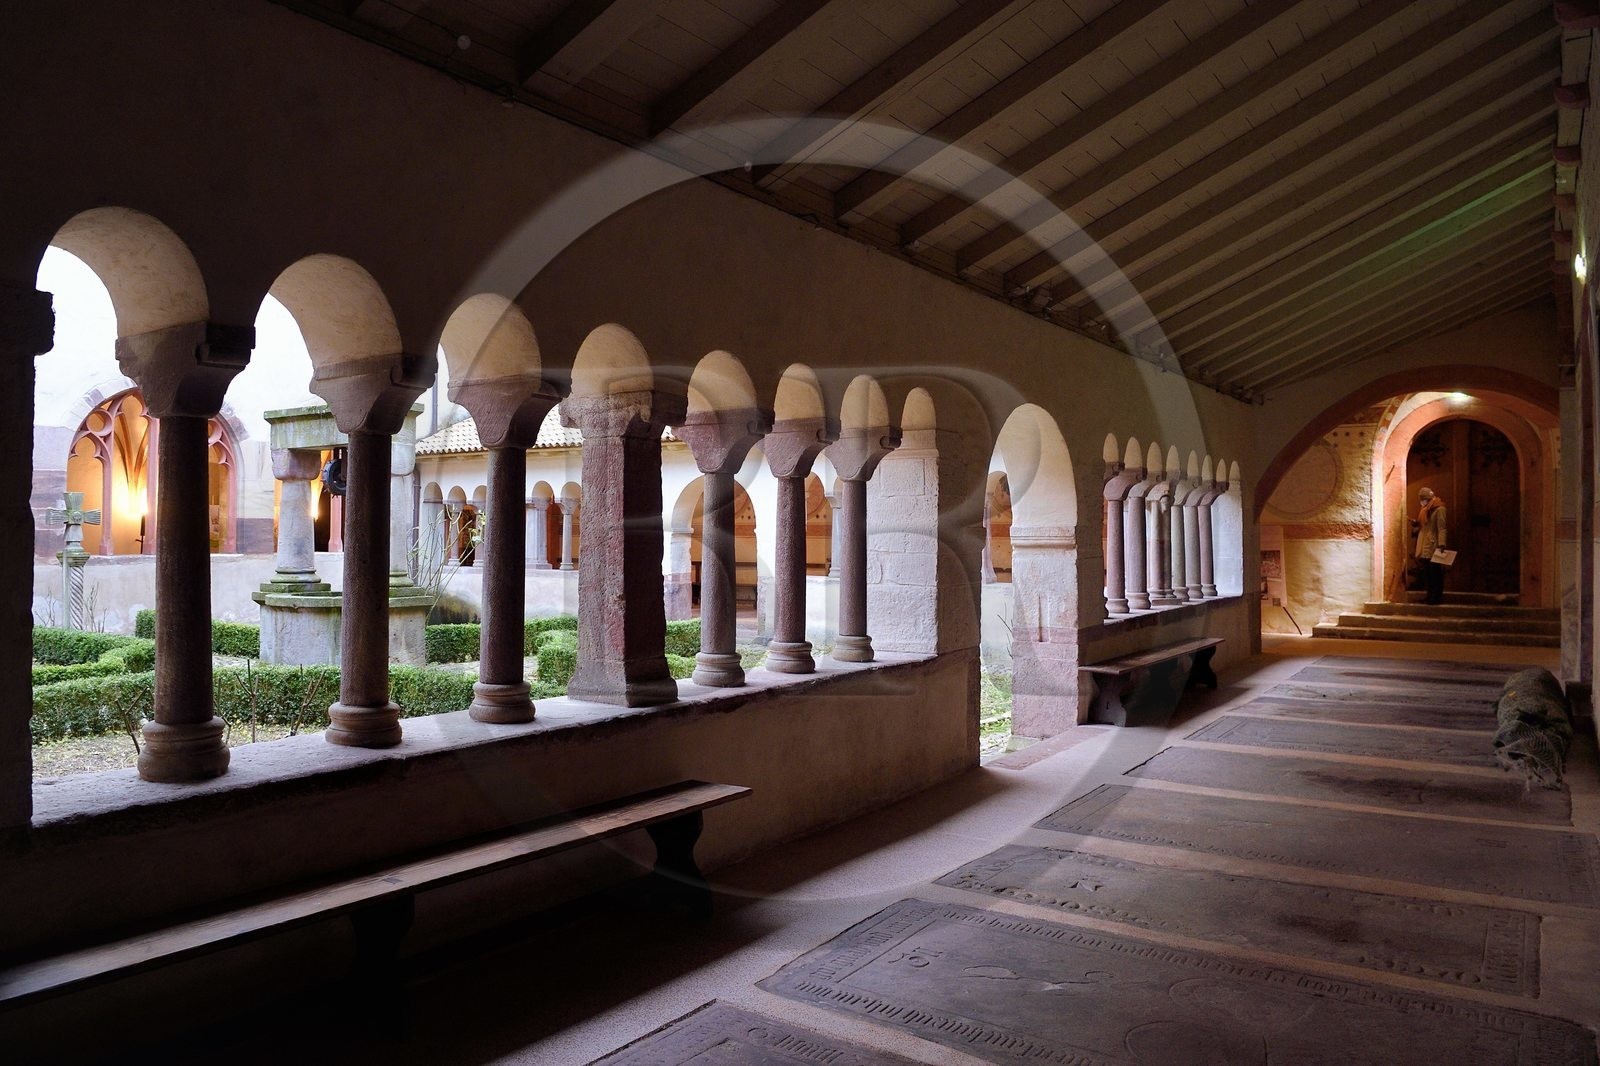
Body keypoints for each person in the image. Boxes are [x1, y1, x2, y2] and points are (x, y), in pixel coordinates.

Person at [1412, 487, 1448, 605]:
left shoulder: (1439, 509)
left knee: (1435, 572)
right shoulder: (1425, 509)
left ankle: (1436, 597)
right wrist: (1416, 523)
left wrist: (1442, 544)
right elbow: (1423, 525)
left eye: (1423, 499)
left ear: (1429, 498)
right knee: (1427, 572)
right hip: (1425, 544)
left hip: (1435, 544)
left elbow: (1442, 528)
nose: (1422, 501)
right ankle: (1429, 595)